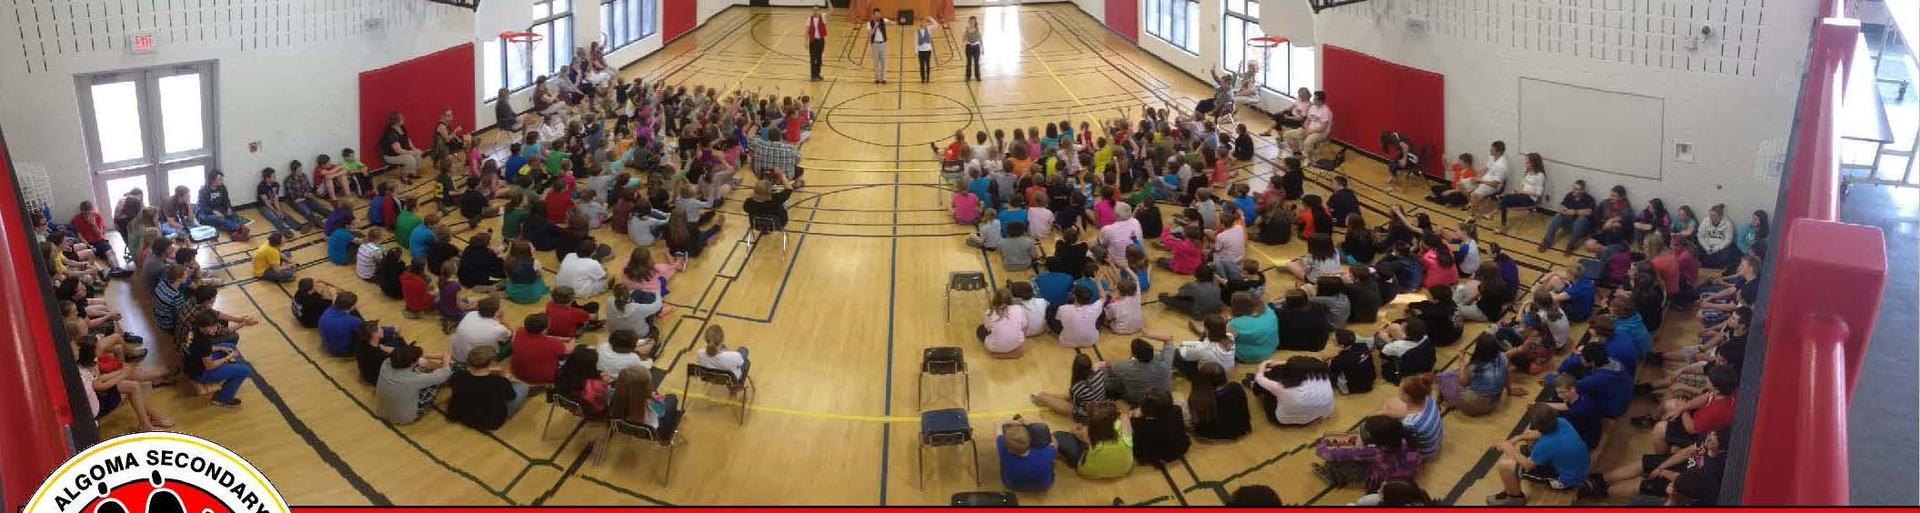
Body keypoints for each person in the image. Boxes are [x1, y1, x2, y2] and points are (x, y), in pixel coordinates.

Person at [1486, 405, 1590, 505]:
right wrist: (1518, 437)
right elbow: (1539, 434)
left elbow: (1528, 465)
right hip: (1582, 466)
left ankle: (1515, 498)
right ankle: (1513, 487)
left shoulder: (1545, 445)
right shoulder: (1562, 422)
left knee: (1506, 466)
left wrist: (1508, 448)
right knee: (1529, 441)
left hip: (1566, 481)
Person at [1315, 415, 1421, 497]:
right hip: (1403, 478)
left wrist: (1323, 441)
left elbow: (1324, 453)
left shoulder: (1373, 452)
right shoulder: (1408, 441)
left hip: (1379, 484)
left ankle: (1334, 476)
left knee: (1340, 460)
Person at [446, 346, 530, 431]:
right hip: (487, 422)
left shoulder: (457, 375)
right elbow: (511, 396)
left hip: (459, 414)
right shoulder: (499, 382)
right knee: (522, 386)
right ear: (491, 364)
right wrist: (506, 380)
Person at [186, 313, 253, 407]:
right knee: (245, 371)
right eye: (210, 327)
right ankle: (222, 399)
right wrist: (227, 358)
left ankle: (231, 371)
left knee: (230, 346)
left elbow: (200, 350)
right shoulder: (203, 342)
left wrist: (219, 348)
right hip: (200, 373)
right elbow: (209, 366)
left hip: (191, 363)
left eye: (215, 326)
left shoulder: (194, 329)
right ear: (202, 327)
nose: (214, 330)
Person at [374, 345, 452, 425]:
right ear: (411, 362)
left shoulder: (386, 362)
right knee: (436, 379)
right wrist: (446, 360)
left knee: (422, 367)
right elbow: (444, 375)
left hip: (382, 410)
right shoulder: (413, 379)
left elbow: (396, 352)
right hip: (404, 417)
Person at [1053, 402, 1132, 479]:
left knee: (1058, 435)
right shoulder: (1125, 424)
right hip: (1124, 470)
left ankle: (1064, 458)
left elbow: (1075, 432)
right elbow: (1124, 415)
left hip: (1089, 472)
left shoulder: (1092, 437)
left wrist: (1076, 428)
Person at [1251, 356, 1335, 425]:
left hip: (1283, 419)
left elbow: (1259, 378)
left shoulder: (1280, 387)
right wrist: (1280, 363)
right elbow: (1302, 366)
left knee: (1266, 385)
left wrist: (1262, 366)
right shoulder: (1322, 375)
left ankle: (1251, 383)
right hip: (1317, 415)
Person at [1439, 333, 1509, 416]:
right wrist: (1510, 391)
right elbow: (1507, 374)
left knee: (1444, 376)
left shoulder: (1476, 366)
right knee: (1458, 375)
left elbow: (1463, 382)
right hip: (1493, 403)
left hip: (1473, 405)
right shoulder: (1503, 358)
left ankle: (1442, 401)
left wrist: (1461, 359)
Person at [1379, 373, 1442, 459]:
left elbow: (1401, 443)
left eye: (1400, 390)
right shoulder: (1428, 398)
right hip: (1434, 442)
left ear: (1408, 397)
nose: (1398, 391)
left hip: (1424, 452)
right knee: (1389, 406)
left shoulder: (1410, 423)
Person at [1030, 353, 1110, 421]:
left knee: (1043, 396)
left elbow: (1075, 404)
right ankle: (1044, 398)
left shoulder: (1077, 387)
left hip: (1087, 414)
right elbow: (1104, 363)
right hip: (1101, 404)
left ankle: (1042, 398)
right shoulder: (1099, 372)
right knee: (1066, 395)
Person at [608, 366, 682, 436]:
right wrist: (653, 398)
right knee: (672, 398)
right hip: (656, 430)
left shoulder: (610, 395)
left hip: (625, 428)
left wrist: (648, 395)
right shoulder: (654, 408)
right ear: (646, 389)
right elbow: (661, 411)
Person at [1129, 389, 1191, 465]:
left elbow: (1131, 421)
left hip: (1157, 455)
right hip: (1179, 448)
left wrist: (1133, 416)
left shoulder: (1142, 425)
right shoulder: (1177, 410)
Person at [996, 415, 1057, 491]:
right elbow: (1054, 442)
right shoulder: (1045, 452)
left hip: (1012, 485)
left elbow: (998, 424)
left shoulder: (1003, 451)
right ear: (1030, 439)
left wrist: (1016, 422)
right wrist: (1029, 424)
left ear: (1008, 448)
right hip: (1043, 485)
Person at [1109, 338, 1173, 404]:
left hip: (1140, 399)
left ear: (1134, 355)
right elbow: (1168, 339)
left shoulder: (1126, 367)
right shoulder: (1165, 362)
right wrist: (1147, 334)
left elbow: (1111, 367)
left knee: (1114, 378)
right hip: (1165, 395)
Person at [450, 298, 512, 362]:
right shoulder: (499, 329)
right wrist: (502, 319)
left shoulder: (470, 314)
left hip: (456, 353)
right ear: (496, 313)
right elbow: (510, 333)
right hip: (473, 361)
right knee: (511, 342)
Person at [1496, 153, 1547, 227]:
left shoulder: (1540, 175)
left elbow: (1539, 193)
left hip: (1530, 199)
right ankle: (1503, 224)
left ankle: (1499, 220)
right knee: (1505, 201)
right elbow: (1522, 184)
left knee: (1505, 200)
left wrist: (1522, 191)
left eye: (1528, 162)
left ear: (1534, 163)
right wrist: (1518, 190)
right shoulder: (1528, 173)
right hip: (1522, 196)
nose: (1525, 164)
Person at [977, 289, 1029, 358]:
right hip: (1016, 344)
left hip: (995, 347)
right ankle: (1012, 351)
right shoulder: (1019, 308)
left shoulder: (990, 312)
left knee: (980, 329)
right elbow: (1024, 325)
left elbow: (987, 327)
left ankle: (1000, 353)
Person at [1281, 91, 1331, 156]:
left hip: (1320, 133)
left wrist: (1309, 132)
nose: (1313, 100)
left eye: (1315, 99)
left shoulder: (1325, 111)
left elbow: (1323, 128)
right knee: (1287, 135)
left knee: (1308, 142)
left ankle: (1309, 158)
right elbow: (1308, 119)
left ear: (1320, 101)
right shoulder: (1312, 107)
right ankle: (1297, 153)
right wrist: (1305, 128)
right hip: (1308, 129)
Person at [1328, 329, 1375, 394]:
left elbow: (1333, 373)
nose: (1331, 340)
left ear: (1341, 345)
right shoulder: (1363, 346)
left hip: (1351, 388)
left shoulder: (1338, 360)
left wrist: (1330, 362)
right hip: (1370, 381)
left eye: (1333, 340)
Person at [317, 292, 364, 357]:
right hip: (341, 351)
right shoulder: (353, 321)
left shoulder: (328, 310)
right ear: (352, 306)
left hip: (327, 344)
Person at [381, 112, 424, 180]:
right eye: (402, 119)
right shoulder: (391, 133)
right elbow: (398, 150)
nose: (404, 119)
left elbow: (407, 139)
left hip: (403, 152)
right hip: (391, 156)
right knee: (410, 159)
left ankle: (412, 173)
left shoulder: (402, 127)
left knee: (418, 154)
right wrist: (412, 153)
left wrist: (414, 149)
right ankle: (404, 176)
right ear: (397, 121)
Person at [863, 9, 891, 84]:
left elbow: (891, 23)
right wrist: (875, 27)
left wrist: (897, 21)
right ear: (873, 15)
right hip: (874, 44)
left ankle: (884, 78)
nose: (878, 16)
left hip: (883, 44)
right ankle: (877, 78)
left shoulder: (883, 20)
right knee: (876, 62)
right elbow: (870, 34)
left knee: (883, 61)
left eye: (879, 14)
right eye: (876, 15)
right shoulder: (870, 23)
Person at [806, 6, 829, 80]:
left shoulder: (823, 17)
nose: (815, 11)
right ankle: (813, 76)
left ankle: (817, 74)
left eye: (816, 10)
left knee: (819, 59)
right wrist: (806, 41)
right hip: (813, 41)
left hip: (821, 41)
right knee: (813, 59)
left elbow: (832, 10)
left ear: (819, 11)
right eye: (814, 10)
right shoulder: (809, 19)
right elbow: (807, 31)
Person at [913, 17, 938, 83]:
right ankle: (922, 78)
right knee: (921, 65)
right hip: (920, 51)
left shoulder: (929, 29)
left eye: (925, 22)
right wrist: (916, 51)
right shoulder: (917, 32)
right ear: (920, 23)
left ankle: (928, 77)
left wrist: (931, 19)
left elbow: (936, 25)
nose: (924, 23)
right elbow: (916, 41)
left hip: (927, 50)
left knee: (927, 64)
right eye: (922, 22)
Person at [962, 16, 983, 81]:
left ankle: (978, 76)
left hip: (976, 47)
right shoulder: (966, 29)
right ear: (968, 22)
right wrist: (963, 41)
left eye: (973, 22)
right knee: (969, 62)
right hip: (969, 47)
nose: (971, 23)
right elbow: (963, 39)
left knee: (976, 62)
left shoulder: (978, 29)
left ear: (975, 22)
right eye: (970, 21)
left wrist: (983, 49)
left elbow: (980, 39)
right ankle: (968, 76)